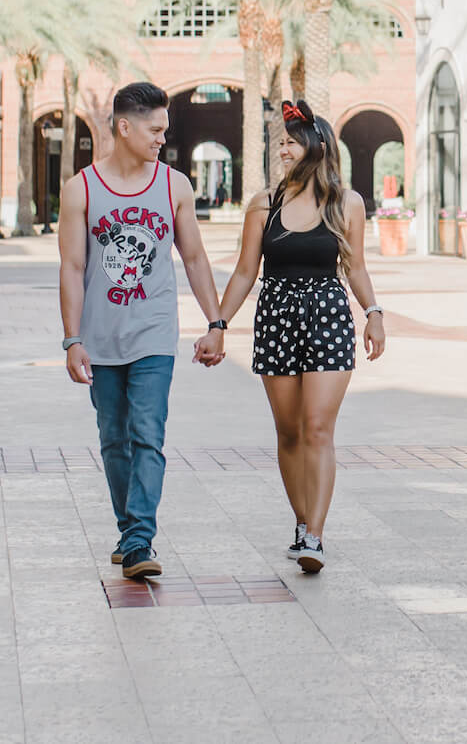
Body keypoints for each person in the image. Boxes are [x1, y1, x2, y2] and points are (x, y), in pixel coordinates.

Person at [57, 81, 227, 581]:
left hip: (155, 332)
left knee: (147, 435)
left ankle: (138, 541)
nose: (161, 139)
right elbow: (71, 268)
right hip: (101, 337)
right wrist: (72, 339)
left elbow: (193, 257)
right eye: (154, 130)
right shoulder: (81, 189)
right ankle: (128, 527)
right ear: (124, 127)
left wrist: (215, 322)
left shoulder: (173, 185)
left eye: (164, 131)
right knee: (114, 439)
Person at [216, 99, 385, 572]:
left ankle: (315, 534)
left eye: (290, 142)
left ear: (317, 145)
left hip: (328, 314)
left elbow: (356, 267)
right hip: (276, 317)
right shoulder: (263, 204)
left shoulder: (346, 204)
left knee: (316, 427)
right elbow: (247, 270)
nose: (283, 151)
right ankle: (301, 520)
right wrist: (218, 324)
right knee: (289, 432)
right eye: (280, 143)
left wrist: (373, 313)